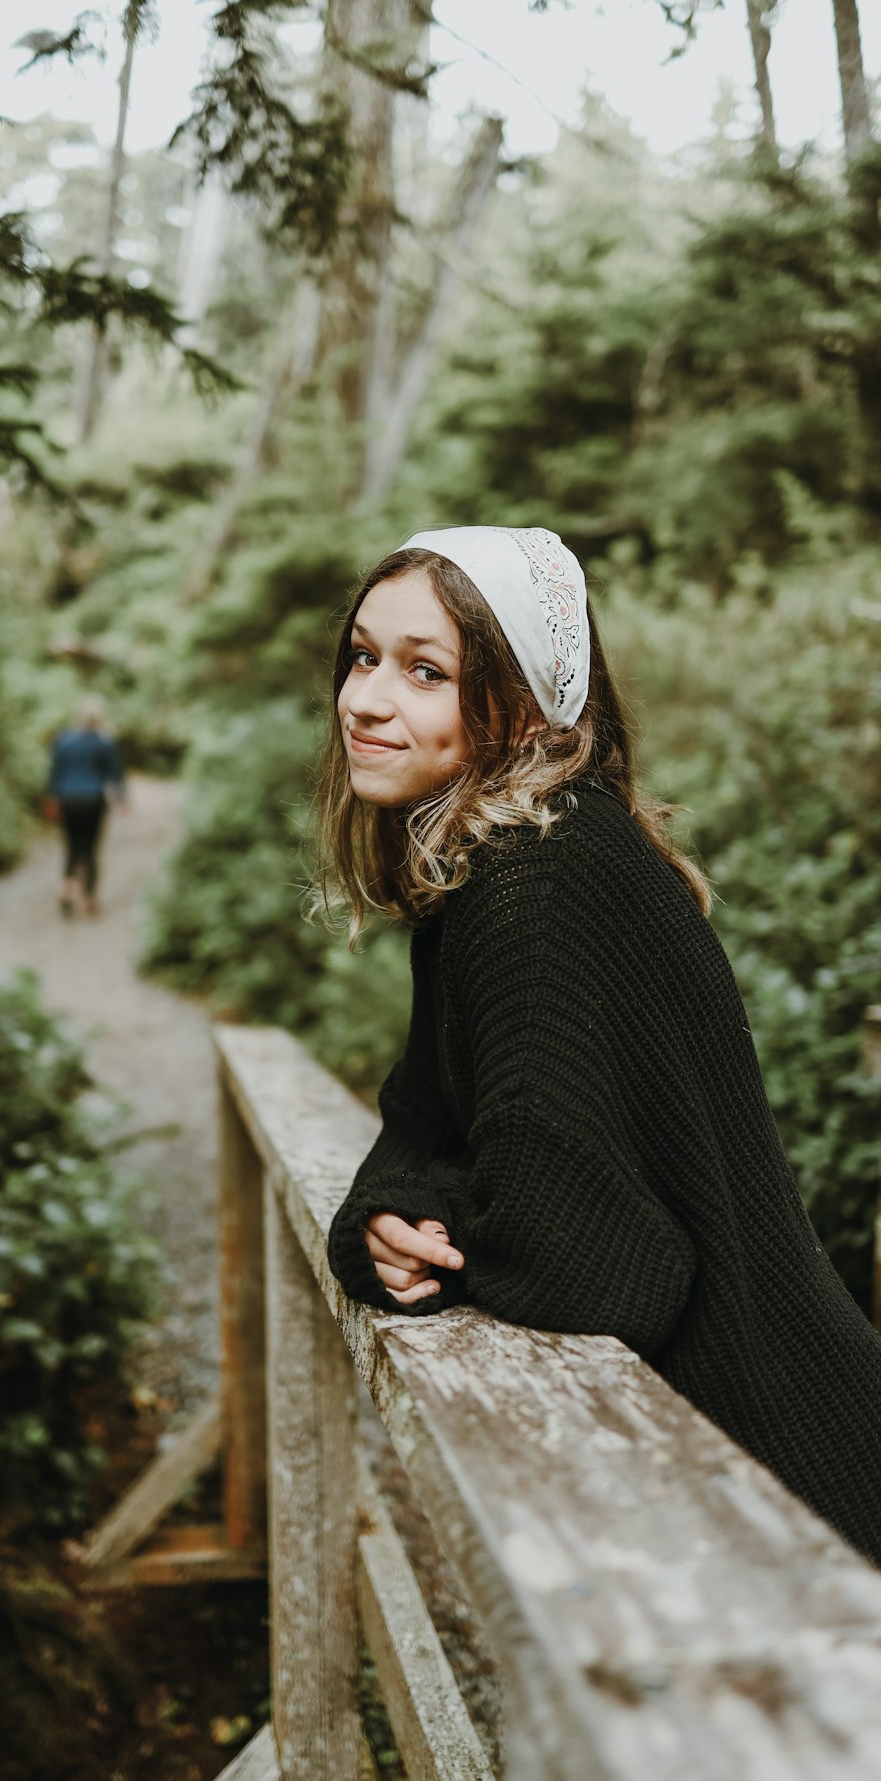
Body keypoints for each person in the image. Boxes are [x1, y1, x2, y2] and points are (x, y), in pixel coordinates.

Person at [322, 525, 881, 1568]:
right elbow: (423, 1123)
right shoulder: (499, 857)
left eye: (424, 670)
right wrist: (381, 1223)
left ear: (529, 705)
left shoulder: (538, 884)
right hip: (744, 1464)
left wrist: (428, 1220)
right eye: (363, 655)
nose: (365, 698)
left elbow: (593, 1260)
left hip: (795, 1483)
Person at [46, 696, 125, 916]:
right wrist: (120, 801)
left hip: (68, 800)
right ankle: (89, 899)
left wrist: (52, 799)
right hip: (93, 802)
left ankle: (66, 892)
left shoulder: (63, 740)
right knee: (90, 849)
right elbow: (114, 774)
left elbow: (54, 773)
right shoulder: (104, 742)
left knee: (71, 847)